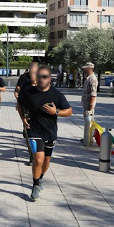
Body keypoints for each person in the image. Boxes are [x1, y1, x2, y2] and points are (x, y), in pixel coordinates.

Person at [18, 66, 72, 201]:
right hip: (34, 130)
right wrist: (23, 118)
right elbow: (19, 104)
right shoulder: (27, 91)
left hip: (50, 132)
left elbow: (69, 111)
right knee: (39, 159)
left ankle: (40, 178)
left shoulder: (57, 95)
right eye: (39, 76)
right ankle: (35, 185)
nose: (41, 79)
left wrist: (56, 112)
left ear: (49, 79)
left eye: (45, 77)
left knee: (47, 161)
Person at [15, 64, 39, 166]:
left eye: (34, 73)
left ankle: (38, 154)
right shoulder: (24, 79)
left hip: (39, 113)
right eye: (31, 72)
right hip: (26, 110)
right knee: (28, 133)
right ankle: (32, 156)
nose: (32, 75)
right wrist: (18, 102)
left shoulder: (44, 82)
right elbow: (17, 90)